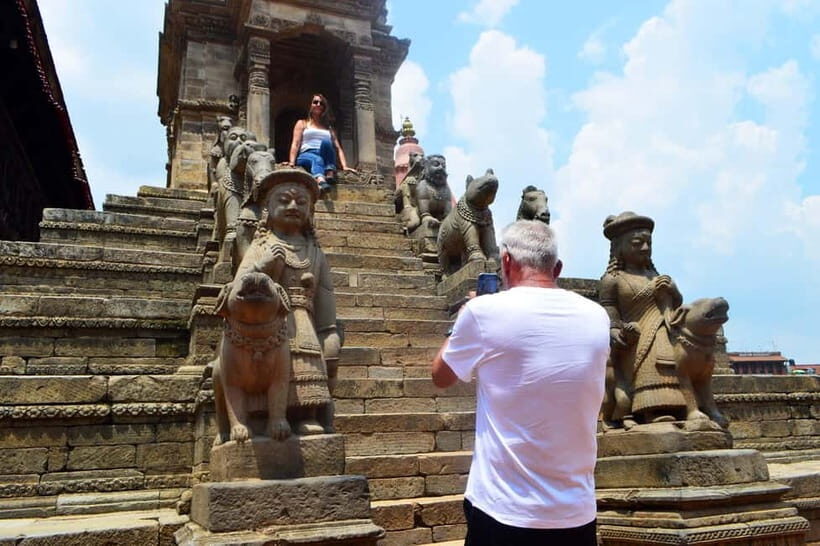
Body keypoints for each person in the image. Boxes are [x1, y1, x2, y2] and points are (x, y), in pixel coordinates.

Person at [432, 220, 609, 546]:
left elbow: (441, 376)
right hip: (577, 513)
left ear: (506, 261)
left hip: (503, 512)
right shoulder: (597, 316)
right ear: (557, 268)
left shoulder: (483, 312)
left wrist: (463, 317)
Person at [234, 167, 341, 434]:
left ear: (310, 211)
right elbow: (239, 285)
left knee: (309, 361)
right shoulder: (262, 245)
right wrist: (264, 265)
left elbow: (325, 293)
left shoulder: (314, 251)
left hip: (304, 320)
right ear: (267, 209)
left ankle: (306, 413)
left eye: (301, 202)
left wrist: (329, 331)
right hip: (270, 322)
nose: (293, 206)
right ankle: (262, 414)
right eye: (284, 201)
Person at [599, 211, 686, 428]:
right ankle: (650, 409)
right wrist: (615, 330)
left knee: (675, 361)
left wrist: (673, 291)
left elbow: (674, 307)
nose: (645, 248)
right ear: (620, 247)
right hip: (635, 337)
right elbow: (609, 308)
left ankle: (679, 405)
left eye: (649, 243)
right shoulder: (612, 280)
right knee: (649, 366)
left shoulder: (655, 276)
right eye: (637, 243)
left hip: (663, 330)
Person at [287, 93, 354, 195]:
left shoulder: (329, 128)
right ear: (310, 105)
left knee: (327, 142)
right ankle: (321, 181)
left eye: (321, 103)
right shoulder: (302, 123)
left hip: (324, 154)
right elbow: (295, 143)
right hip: (306, 154)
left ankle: (330, 171)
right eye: (315, 102)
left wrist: (345, 166)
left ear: (324, 107)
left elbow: (338, 148)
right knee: (317, 159)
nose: (318, 104)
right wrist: (291, 162)